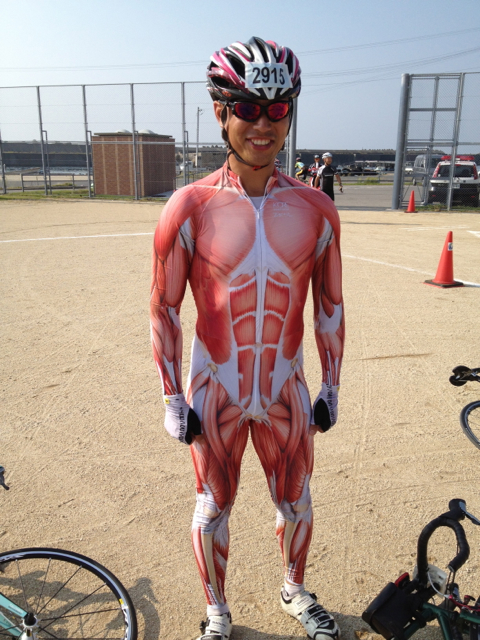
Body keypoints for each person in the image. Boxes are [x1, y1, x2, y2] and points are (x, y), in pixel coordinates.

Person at [150, 36, 345, 640]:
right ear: (221, 111)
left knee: (298, 501)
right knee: (212, 508)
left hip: (286, 386)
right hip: (217, 387)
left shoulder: (316, 208)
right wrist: (171, 397)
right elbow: (164, 307)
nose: (263, 124)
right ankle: (217, 614)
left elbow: (330, 306)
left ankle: (295, 590)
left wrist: (332, 387)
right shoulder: (189, 206)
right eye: (248, 108)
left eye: (278, 109)